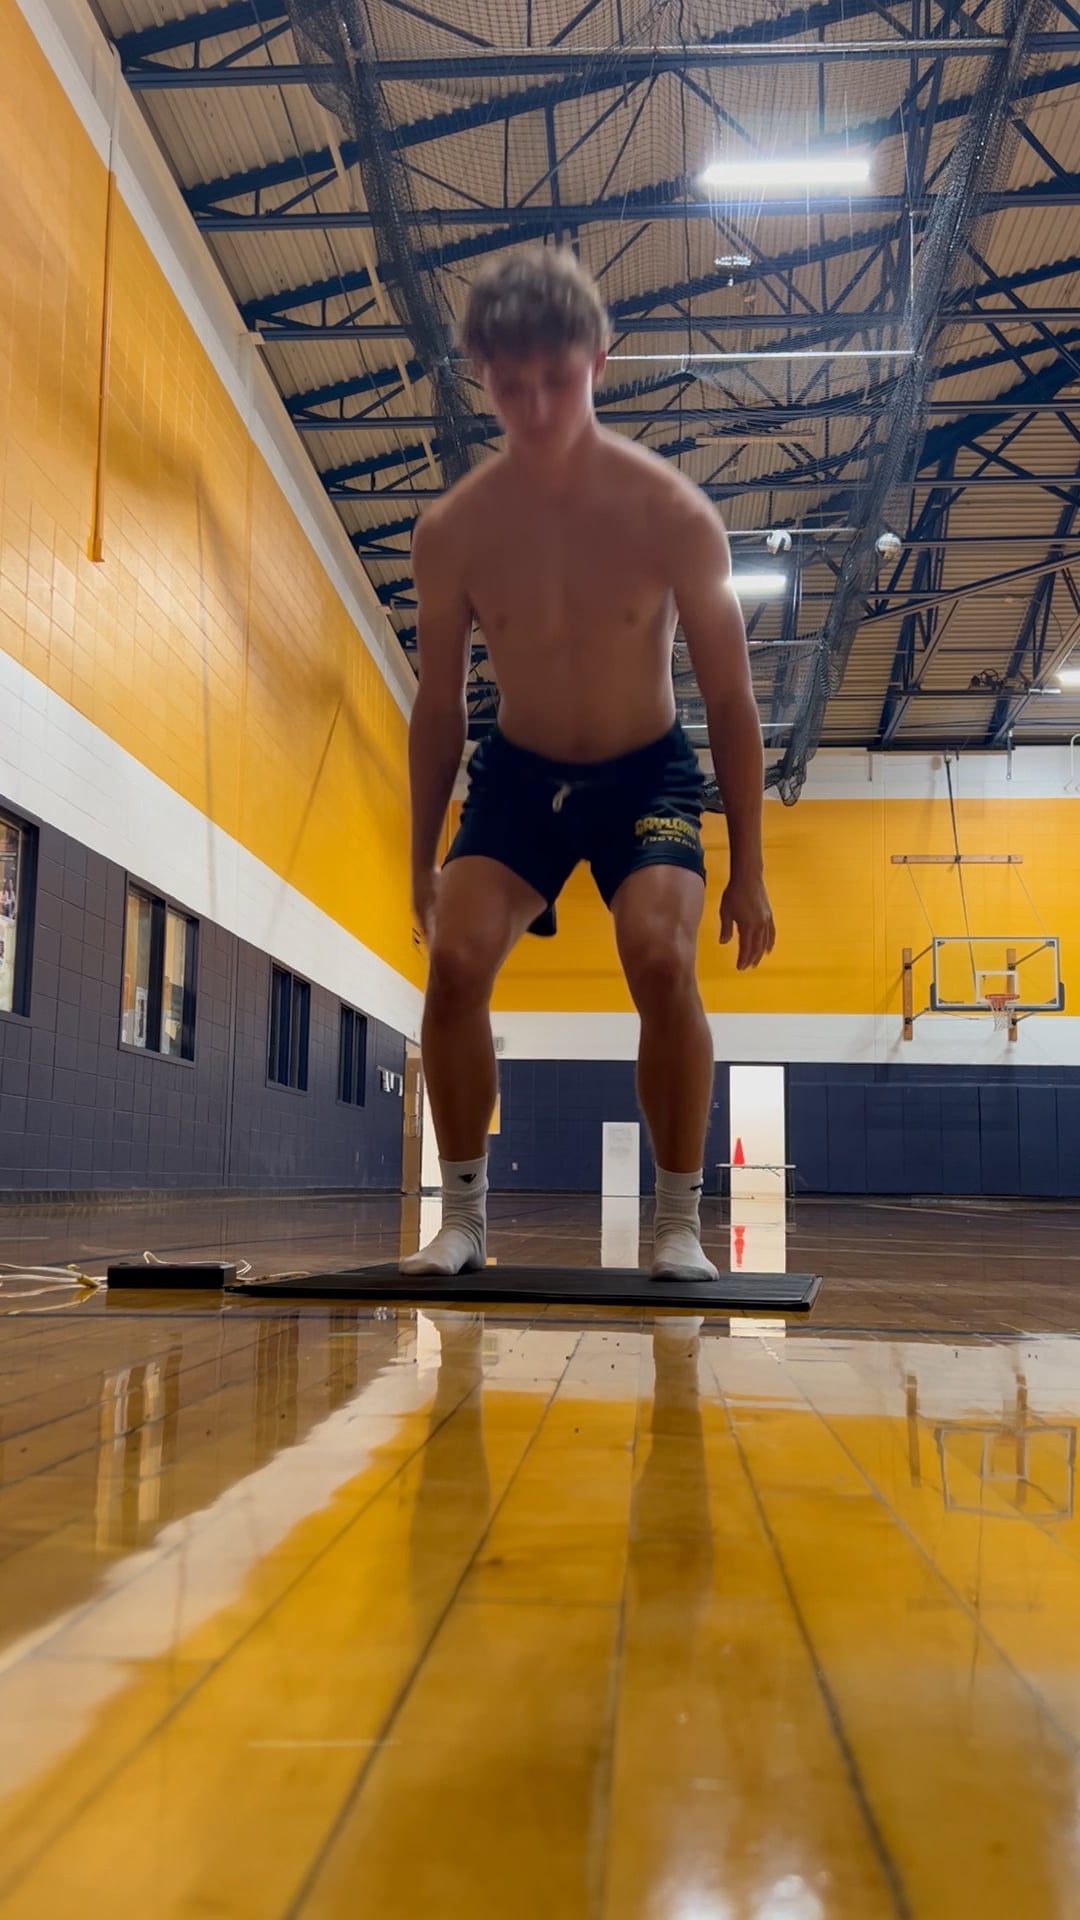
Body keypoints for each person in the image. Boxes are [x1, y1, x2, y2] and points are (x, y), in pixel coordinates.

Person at [404, 246, 775, 1281]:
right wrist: (416, 857)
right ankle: (464, 1216)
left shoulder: (672, 516)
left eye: (557, 382)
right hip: (518, 778)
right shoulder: (454, 533)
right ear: (482, 379)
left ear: (599, 364)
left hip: (644, 774)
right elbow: (438, 707)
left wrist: (749, 864)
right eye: (510, 388)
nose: (535, 409)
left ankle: (672, 1224)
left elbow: (733, 699)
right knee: (456, 965)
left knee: (660, 956)